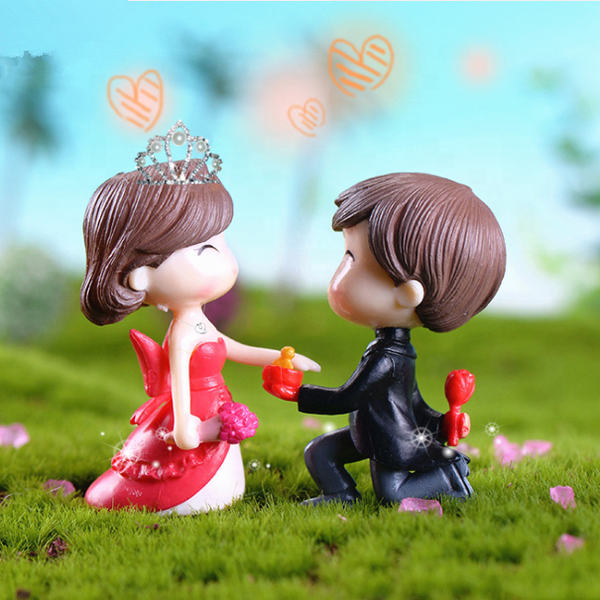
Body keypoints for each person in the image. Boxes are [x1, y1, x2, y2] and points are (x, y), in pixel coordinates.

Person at [81, 121, 319, 514]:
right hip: (195, 415)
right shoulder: (181, 335)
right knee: (198, 476)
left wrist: (280, 356)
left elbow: (230, 347)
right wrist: (189, 430)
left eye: (221, 242)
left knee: (224, 476)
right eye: (206, 249)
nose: (227, 261)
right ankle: (185, 496)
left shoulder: (198, 323)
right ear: (141, 275)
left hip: (216, 402)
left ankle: (215, 489)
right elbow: (178, 386)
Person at [264, 172, 506, 505]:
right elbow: (411, 401)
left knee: (392, 495)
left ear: (408, 293)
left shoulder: (386, 358)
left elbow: (348, 398)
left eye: (352, 258)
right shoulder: (398, 351)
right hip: (370, 433)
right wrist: (440, 422)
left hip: (389, 442)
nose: (340, 271)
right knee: (320, 452)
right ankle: (341, 494)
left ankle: (448, 475)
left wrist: (297, 393)